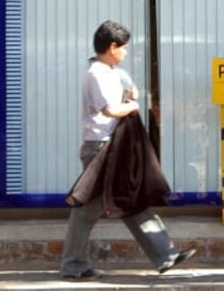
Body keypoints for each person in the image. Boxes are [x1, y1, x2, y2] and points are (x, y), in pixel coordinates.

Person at [61, 20, 196, 280]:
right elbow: (109, 110)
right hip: (100, 149)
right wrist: (133, 106)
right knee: (87, 210)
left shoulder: (110, 72)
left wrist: (129, 97)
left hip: (112, 146)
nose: (126, 52)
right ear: (112, 47)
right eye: (124, 48)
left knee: (129, 200)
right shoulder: (96, 73)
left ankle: (165, 254)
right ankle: (73, 265)